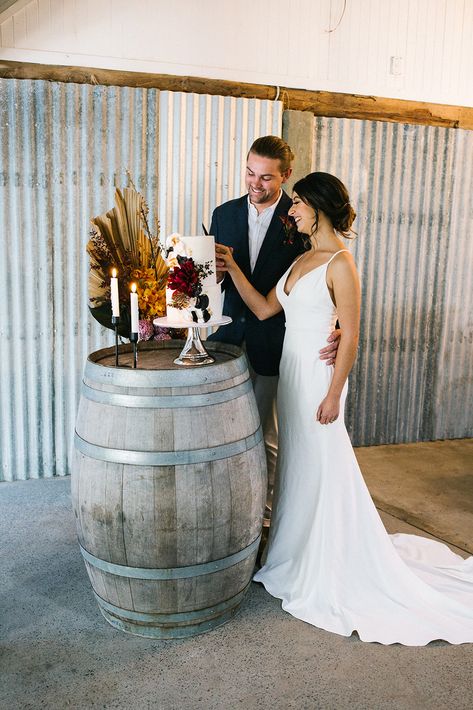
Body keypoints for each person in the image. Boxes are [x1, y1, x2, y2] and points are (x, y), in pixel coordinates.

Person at [215, 171, 473, 645]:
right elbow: (267, 309)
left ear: (318, 207)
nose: (291, 211)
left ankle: (328, 559)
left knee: (322, 464)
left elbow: (350, 333)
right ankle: (295, 550)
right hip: (292, 373)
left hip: (319, 380)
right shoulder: (300, 259)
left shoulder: (341, 263)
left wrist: (335, 392)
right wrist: (232, 268)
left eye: (297, 205)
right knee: (297, 466)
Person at [208, 136, 339, 525]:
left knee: (267, 437)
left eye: (266, 177)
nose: (255, 183)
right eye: (250, 172)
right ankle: (229, 514)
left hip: (277, 342)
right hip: (227, 340)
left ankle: (264, 521)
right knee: (223, 434)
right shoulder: (224, 213)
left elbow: (327, 274)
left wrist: (337, 327)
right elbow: (212, 282)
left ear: (286, 176)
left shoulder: (301, 217)